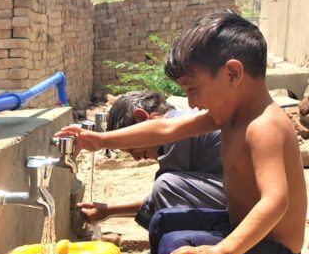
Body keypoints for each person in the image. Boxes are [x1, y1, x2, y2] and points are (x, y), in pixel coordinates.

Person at [56, 10, 307, 254]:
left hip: (274, 251)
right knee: (162, 219)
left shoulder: (264, 126)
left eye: (193, 89)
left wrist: (222, 252)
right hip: (241, 230)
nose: (190, 103)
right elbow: (162, 131)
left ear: (233, 74)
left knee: (179, 252)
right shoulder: (230, 114)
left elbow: (275, 201)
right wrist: (99, 140)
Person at [78, 90, 226, 231]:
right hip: (230, 196)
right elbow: (163, 197)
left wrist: (98, 141)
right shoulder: (183, 121)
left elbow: (165, 192)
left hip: (240, 203)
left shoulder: (178, 133)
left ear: (142, 118)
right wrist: (108, 211)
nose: (136, 158)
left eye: (131, 148)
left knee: (166, 184)